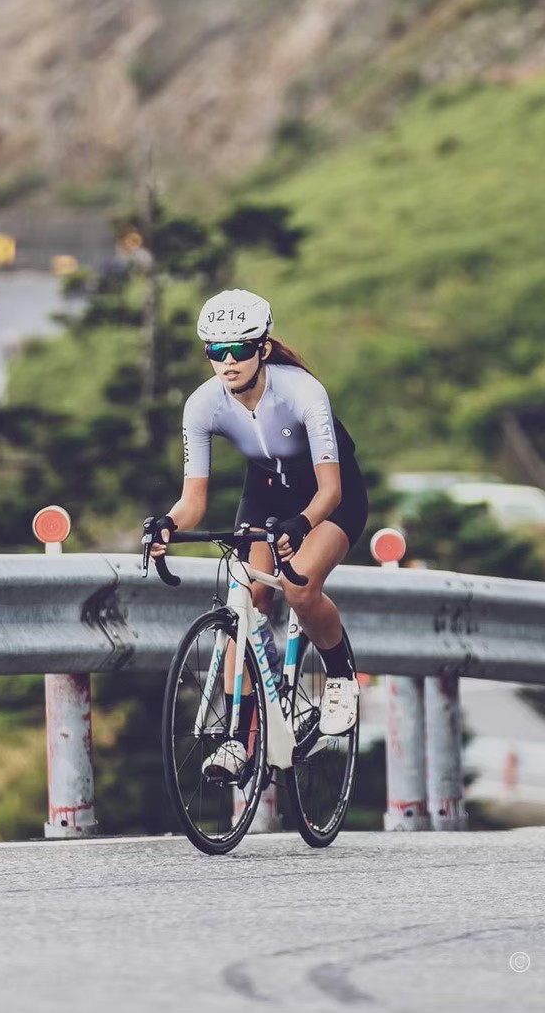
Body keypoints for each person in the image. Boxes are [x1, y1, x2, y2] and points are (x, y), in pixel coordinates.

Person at [145, 288, 368, 781]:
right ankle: (237, 741)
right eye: (215, 352)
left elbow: (330, 489)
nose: (227, 362)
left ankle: (340, 677)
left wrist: (301, 525)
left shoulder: (303, 391)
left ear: (263, 348)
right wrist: (168, 523)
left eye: (239, 350)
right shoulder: (202, 405)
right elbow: (193, 501)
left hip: (330, 497)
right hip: (265, 494)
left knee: (299, 585)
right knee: (242, 602)